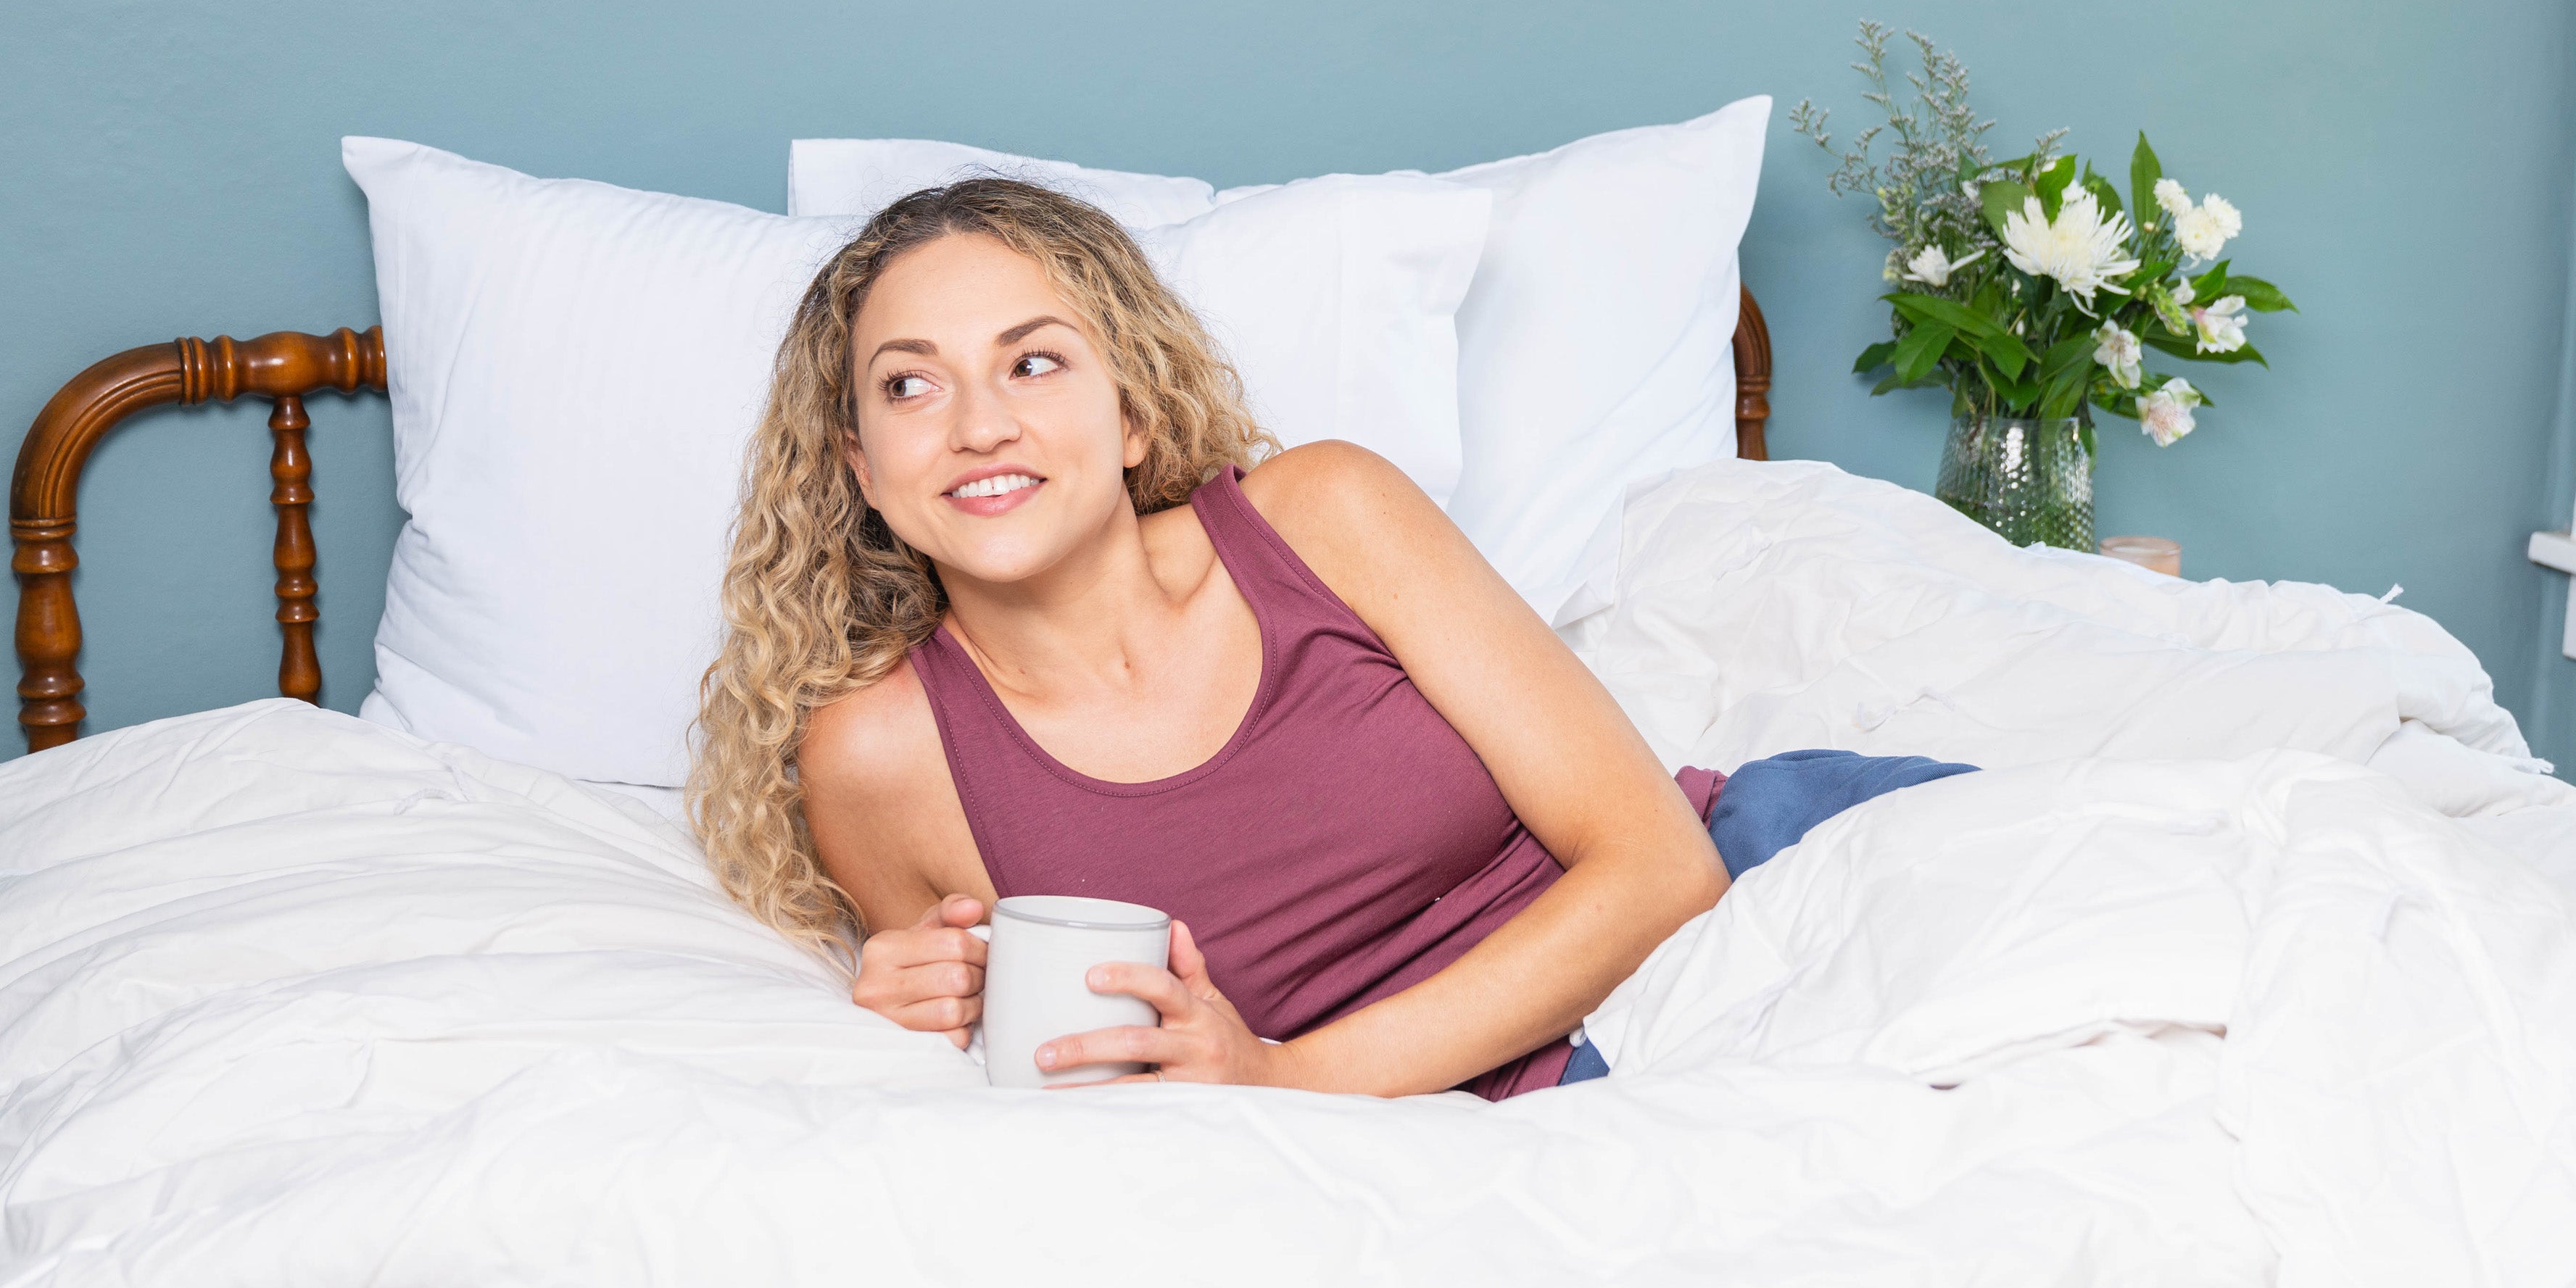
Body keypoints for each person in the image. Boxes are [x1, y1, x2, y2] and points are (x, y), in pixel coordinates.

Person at [689, 180, 1969, 1100]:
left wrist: (1286, 1079)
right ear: (859, 466)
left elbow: (1660, 870)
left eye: (1033, 364)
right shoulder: (876, 756)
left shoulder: (1322, 514)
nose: (976, 425)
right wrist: (914, 1007)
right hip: (1503, 1116)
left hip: (1760, 892)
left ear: (1132, 416)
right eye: (908, 385)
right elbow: (1032, 1058)